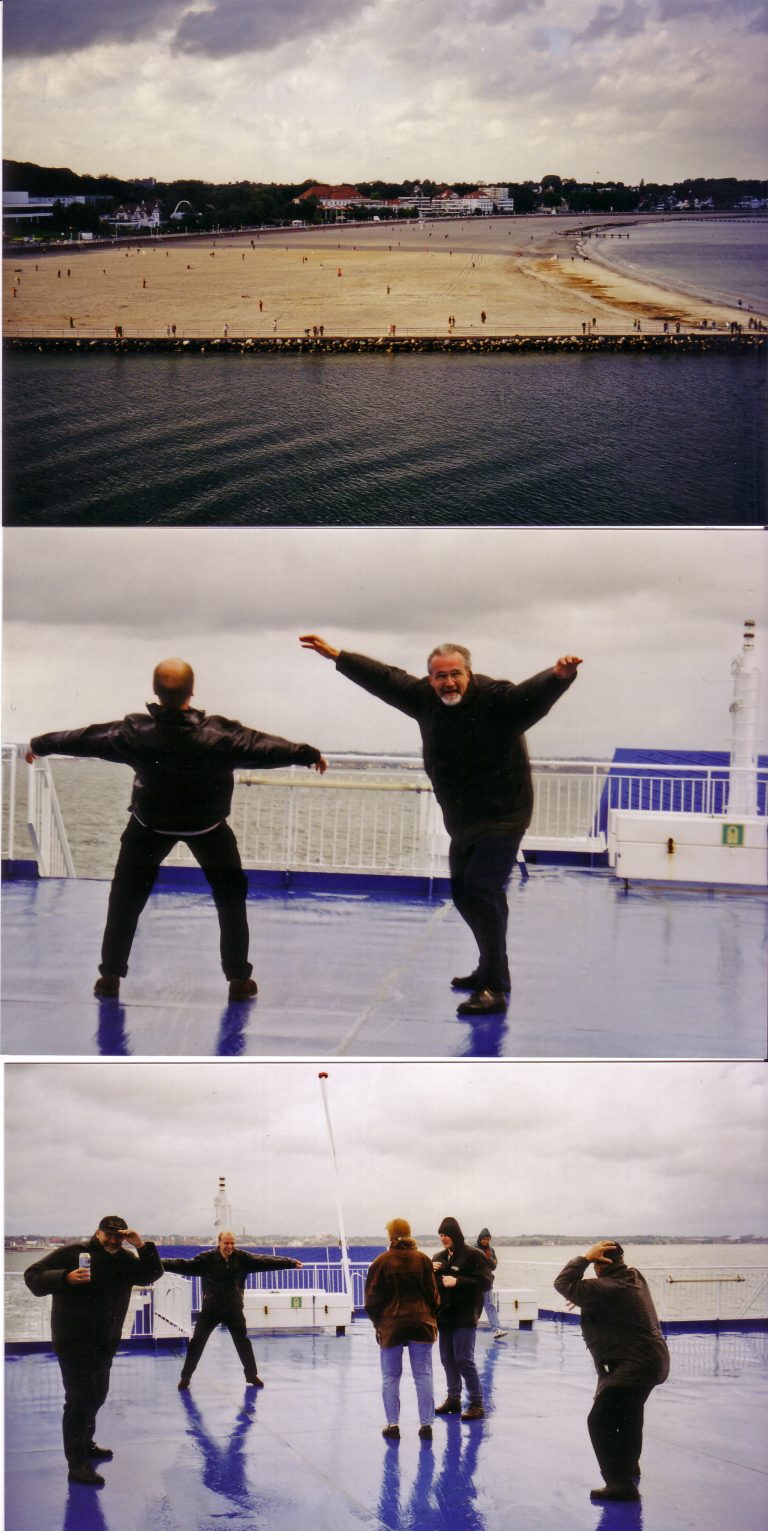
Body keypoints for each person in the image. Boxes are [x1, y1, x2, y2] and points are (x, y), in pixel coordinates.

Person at [299, 635, 580, 1013]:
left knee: (482, 888)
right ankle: (492, 968)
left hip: (504, 814)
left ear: (469, 674)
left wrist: (558, 677)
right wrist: (338, 656)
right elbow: (385, 679)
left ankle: (494, 987)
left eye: (455, 674)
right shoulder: (423, 698)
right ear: (430, 679)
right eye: (440, 676)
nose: (448, 683)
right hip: (462, 819)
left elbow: (530, 697)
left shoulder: (496, 698)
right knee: (464, 893)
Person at [26, 659, 327, 1000]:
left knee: (125, 898)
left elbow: (87, 739)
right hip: (208, 828)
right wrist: (307, 754)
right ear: (192, 691)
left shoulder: (134, 733)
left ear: (155, 691)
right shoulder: (221, 735)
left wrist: (41, 744)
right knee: (230, 899)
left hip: (150, 826)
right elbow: (264, 746)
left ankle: (110, 975)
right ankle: (238, 979)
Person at [24, 1215, 162, 1487]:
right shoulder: (73, 1253)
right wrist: (65, 1278)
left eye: (118, 1237)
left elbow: (151, 1275)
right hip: (73, 1340)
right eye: (108, 1235)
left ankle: (85, 1444)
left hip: (105, 1341)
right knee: (80, 1399)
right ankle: (77, 1464)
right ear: (98, 1233)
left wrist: (141, 1246)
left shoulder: (125, 1259)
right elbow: (32, 1276)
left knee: (98, 1394)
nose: (113, 1240)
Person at [554, 1239, 670, 1503]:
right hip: (653, 1361)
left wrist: (584, 1258)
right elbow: (607, 1298)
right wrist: (584, 1298)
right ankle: (628, 1467)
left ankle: (619, 1484)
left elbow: (562, 1283)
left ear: (599, 1264)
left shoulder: (605, 1287)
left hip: (632, 1365)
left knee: (599, 1420)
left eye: (594, 1263)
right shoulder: (633, 1276)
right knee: (630, 1415)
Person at [162, 1232, 303, 1389]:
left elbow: (264, 1261)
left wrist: (290, 1262)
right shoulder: (206, 1259)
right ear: (219, 1243)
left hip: (233, 1308)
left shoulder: (242, 1258)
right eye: (226, 1243)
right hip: (211, 1309)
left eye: (232, 1243)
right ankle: (186, 1377)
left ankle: (251, 1375)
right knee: (197, 1342)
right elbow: (182, 1264)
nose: (229, 1247)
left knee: (242, 1342)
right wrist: (159, 1263)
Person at [364, 1218, 440, 1442]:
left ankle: (393, 1425)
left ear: (390, 1235)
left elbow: (371, 1300)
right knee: (423, 1375)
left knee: (390, 1376)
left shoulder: (381, 1262)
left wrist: (379, 1323)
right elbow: (434, 1295)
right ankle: (426, 1425)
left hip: (391, 1325)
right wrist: (430, 1316)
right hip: (422, 1323)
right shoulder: (423, 1259)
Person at [432, 1217, 492, 1421]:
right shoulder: (438, 1257)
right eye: (440, 1235)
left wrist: (458, 1281)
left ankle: (476, 1404)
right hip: (444, 1316)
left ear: (455, 1235)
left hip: (465, 1315)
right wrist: (430, 1272)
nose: (443, 1239)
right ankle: (453, 1399)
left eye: (446, 1235)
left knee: (464, 1360)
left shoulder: (473, 1255)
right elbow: (433, 1286)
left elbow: (486, 1282)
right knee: (447, 1359)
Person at [477, 1228, 507, 1338]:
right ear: (480, 1239)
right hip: (475, 1284)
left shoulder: (491, 1250)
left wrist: (492, 1262)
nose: (486, 1241)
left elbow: (494, 1266)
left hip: (487, 1283)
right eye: (484, 1239)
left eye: (488, 1239)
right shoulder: (474, 1249)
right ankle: (468, 1328)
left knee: (490, 1306)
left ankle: (496, 1329)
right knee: (473, 1307)